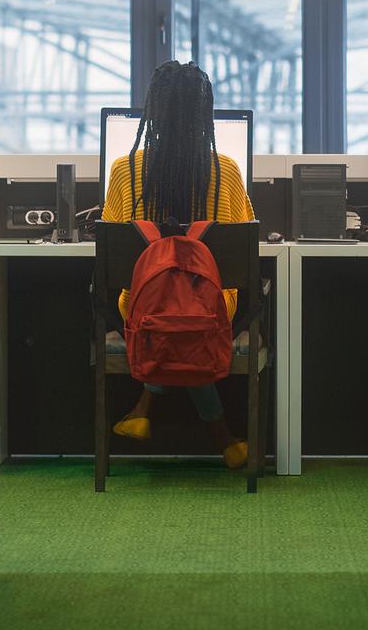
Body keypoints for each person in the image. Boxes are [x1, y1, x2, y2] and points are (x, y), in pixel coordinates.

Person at [101, 60, 256, 470]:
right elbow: (244, 242)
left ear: (153, 111)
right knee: (193, 315)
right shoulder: (226, 171)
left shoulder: (123, 170)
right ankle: (224, 439)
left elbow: (113, 245)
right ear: (205, 114)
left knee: (165, 313)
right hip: (213, 307)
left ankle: (143, 408)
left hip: (141, 306)